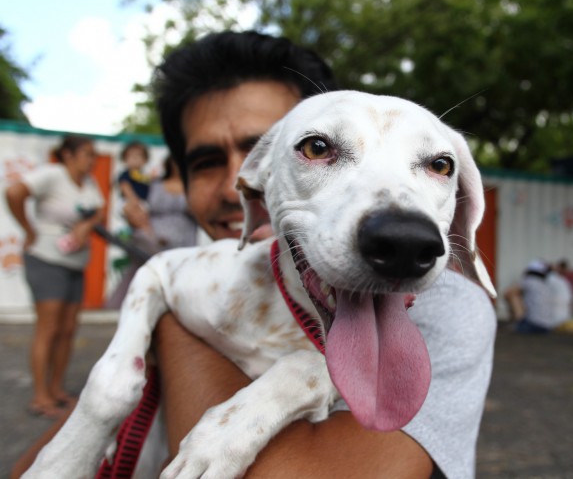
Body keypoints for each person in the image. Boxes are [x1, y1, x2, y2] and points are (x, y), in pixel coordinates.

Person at [13, 30, 496, 479]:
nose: (233, 184)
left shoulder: (451, 308)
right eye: (319, 149)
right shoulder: (221, 268)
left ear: (463, 203)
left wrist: (175, 322)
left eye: (436, 166)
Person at [4, 135, 105, 419]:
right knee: (48, 327)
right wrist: (29, 230)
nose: (91, 160)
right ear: (69, 155)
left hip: (76, 264)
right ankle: (40, 396)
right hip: (46, 260)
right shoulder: (52, 175)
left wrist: (86, 225)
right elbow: (14, 193)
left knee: (68, 328)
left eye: (93, 155)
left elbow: (98, 210)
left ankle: (57, 388)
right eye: (86, 154)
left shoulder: (89, 183)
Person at [106, 155, 198, 309]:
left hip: (182, 248)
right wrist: (144, 228)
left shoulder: (194, 187)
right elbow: (131, 198)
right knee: (144, 282)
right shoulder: (153, 184)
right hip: (149, 243)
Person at [504, 259, 573, 333]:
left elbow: (508, 293)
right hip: (547, 326)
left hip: (532, 325)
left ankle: (517, 323)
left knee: (514, 296)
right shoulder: (546, 283)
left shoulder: (529, 281)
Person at [117, 141, 151, 209]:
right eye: (131, 155)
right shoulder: (126, 174)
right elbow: (125, 186)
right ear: (124, 159)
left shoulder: (144, 176)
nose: (135, 158)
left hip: (143, 202)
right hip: (128, 201)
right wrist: (133, 199)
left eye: (138, 155)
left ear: (145, 160)